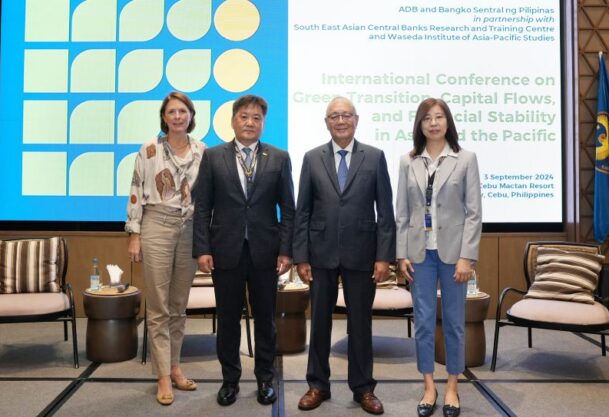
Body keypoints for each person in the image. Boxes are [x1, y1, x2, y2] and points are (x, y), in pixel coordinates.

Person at [293, 96, 395, 415]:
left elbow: (386, 211)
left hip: (363, 253)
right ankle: (317, 385)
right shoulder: (311, 158)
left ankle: (363, 388)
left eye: (346, 115)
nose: (340, 121)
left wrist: (384, 257)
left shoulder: (375, 157)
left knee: (360, 323)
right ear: (326, 122)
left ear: (356, 119)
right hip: (319, 253)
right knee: (320, 322)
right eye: (334, 116)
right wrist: (301, 256)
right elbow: (303, 211)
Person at [192, 94, 295, 407]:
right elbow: (202, 208)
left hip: (266, 251)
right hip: (225, 251)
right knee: (227, 319)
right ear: (233, 120)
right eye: (245, 117)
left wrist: (286, 251)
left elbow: (288, 208)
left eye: (257, 118)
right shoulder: (213, 156)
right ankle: (230, 380)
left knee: (265, 319)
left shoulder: (278, 157)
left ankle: (265, 378)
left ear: (263, 123)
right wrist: (202, 249)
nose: (250, 123)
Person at [395, 98, 482, 417]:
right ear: (419, 125)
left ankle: (452, 388)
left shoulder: (465, 158)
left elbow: (474, 213)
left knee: (456, 323)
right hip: (420, 254)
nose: (433, 123)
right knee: (423, 324)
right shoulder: (408, 160)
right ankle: (429, 386)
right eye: (427, 118)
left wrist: (467, 257)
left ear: (448, 122)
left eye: (439, 117)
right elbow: (401, 211)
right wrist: (401, 253)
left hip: (453, 255)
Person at [125, 91, 206, 406]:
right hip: (156, 226)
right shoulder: (148, 150)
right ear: (164, 116)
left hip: (190, 229)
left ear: (190, 115)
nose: (177, 116)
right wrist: (134, 233)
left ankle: (175, 368)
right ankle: (161, 376)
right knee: (158, 308)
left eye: (182, 111)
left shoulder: (203, 151)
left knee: (178, 306)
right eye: (171, 111)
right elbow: (135, 191)